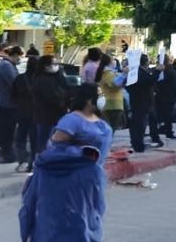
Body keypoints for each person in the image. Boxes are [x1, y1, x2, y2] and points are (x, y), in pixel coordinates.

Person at [19, 84, 112, 242]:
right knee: (71, 221)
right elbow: (56, 148)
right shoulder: (72, 120)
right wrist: (81, 154)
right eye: (99, 94)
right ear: (89, 99)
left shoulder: (99, 120)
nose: (102, 97)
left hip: (91, 180)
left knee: (91, 218)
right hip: (71, 181)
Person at [32, 55, 69, 156]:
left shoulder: (53, 77)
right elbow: (53, 98)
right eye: (54, 64)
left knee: (46, 141)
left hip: (49, 115)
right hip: (48, 115)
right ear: (45, 66)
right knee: (47, 142)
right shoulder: (43, 80)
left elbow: (65, 86)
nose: (56, 66)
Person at [127, 54, 163, 152]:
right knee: (139, 125)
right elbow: (148, 81)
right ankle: (138, 145)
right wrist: (157, 71)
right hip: (141, 102)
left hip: (138, 101)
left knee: (138, 124)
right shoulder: (139, 73)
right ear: (145, 62)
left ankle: (137, 142)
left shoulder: (135, 73)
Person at [0, 45, 23, 163]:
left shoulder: (8, 65)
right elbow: (14, 83)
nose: (20, 60)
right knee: (7, 130)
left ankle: (8, 153)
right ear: (15, 55)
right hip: (7, 103)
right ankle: (7, 155)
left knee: (8, 129)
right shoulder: (6, 66)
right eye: (20, 57)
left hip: (7, 102)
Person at [14, 55, 39, 173]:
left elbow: (13, 95)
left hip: (22, 112)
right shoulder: (40, 80)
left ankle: (21, 161)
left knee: (20, 138)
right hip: (37, 113)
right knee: (34, 139)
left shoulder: (20, 79)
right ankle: (32, 162)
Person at [96, 54, 124, 135]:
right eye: (112, 60)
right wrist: (124, 74)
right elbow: (114, 84)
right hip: (112, 104)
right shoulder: (107, 73)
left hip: (109, 103)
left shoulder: (105, 72)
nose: (114, 61)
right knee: (110, 130)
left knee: (108, 129)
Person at [155, 55, 176, 139]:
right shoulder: (168, 69)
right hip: (165, 96)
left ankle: (165, 130)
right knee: (166, 115)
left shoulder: (167, 69)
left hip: (165, 95)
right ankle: (166, 130)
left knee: (164, 115)